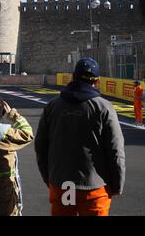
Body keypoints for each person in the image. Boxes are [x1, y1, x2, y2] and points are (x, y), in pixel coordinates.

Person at [35, 58, 126, 216]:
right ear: (96, 81)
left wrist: (49, 178)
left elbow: (41, 146)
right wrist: (118, 184)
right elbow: (115, 149)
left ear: (73, 76)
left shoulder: (53, 105)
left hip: (62, 184)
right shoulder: (104, 107)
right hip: (95, 187)